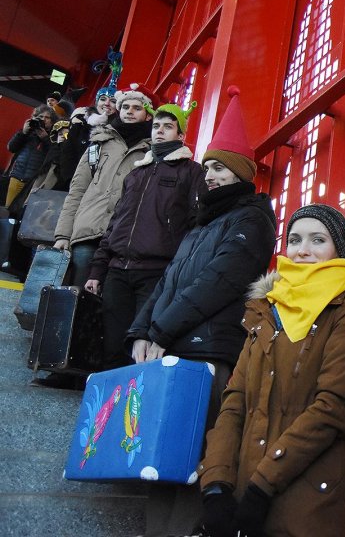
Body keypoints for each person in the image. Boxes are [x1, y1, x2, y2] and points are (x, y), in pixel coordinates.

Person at [125, 85, 277, 537]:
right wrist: (139, 331)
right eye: (207, 167)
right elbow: (169, 281)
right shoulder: (201, 225)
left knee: (196, 455)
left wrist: (159, 331)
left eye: (221, 169)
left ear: (241, 175)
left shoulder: (252, 220)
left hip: (208, 352)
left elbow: (217, 284)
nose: (210, 175)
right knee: (161, 454)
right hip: (173, 348)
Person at [198, 204, 345, 537]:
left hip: (304, 500)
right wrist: (216, 484)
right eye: (294, 239)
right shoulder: (267, 308)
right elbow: (235, 401)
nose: (303, 250)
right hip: (242, 496)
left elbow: (333, 408)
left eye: (318, 240)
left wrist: (262, 485)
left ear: (341, 250)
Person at [83, 101, 205, 369]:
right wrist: (97, 270)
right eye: (157, 126)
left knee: (140, 349)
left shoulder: (191, 171)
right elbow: (116, 221)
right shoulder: (136, 173)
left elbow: (197, 224)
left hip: (156, 272)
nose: (159, 131)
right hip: (117, 269)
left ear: (181, 134)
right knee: (112, 346)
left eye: (168, 127)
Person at [52, 82, 157, 287]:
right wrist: (63, 234)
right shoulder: (98, 143)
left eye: (137, 108)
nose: (129, 112)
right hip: (88, 230)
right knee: (77, 290)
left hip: (125, 237)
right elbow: (77, 190)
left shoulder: (153, 152)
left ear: (149, 115)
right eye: (125, 107)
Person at [6, 104, 58, 206]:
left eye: (47, 118)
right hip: (17, 176)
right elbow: (11, 148)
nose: (43, 120)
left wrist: (45, 138)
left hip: (33, 182)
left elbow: (54, 155)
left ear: (52, 121)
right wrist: (23, 132)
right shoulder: (27, 133)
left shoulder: (53, 137)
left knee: (24, 212)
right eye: (41, 117)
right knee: (8, 210)